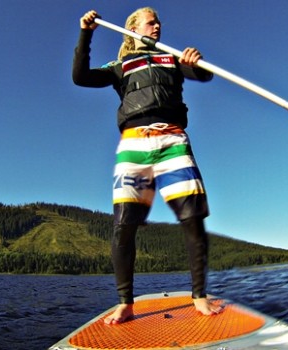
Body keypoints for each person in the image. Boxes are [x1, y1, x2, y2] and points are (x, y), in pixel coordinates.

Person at [72, 8, 222, 324]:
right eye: (151, 22)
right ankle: (125, 302)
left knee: (192, 217)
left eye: (158, 22)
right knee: (124, 225)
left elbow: (204, 74)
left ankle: (199, 296)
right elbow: (80, 77)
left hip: (173, 142)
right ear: (133, 28)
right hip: (135, 145)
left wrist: (196, 61)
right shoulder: (120, 67)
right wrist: (86, 33)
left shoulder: (172, 58)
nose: (158, 26)